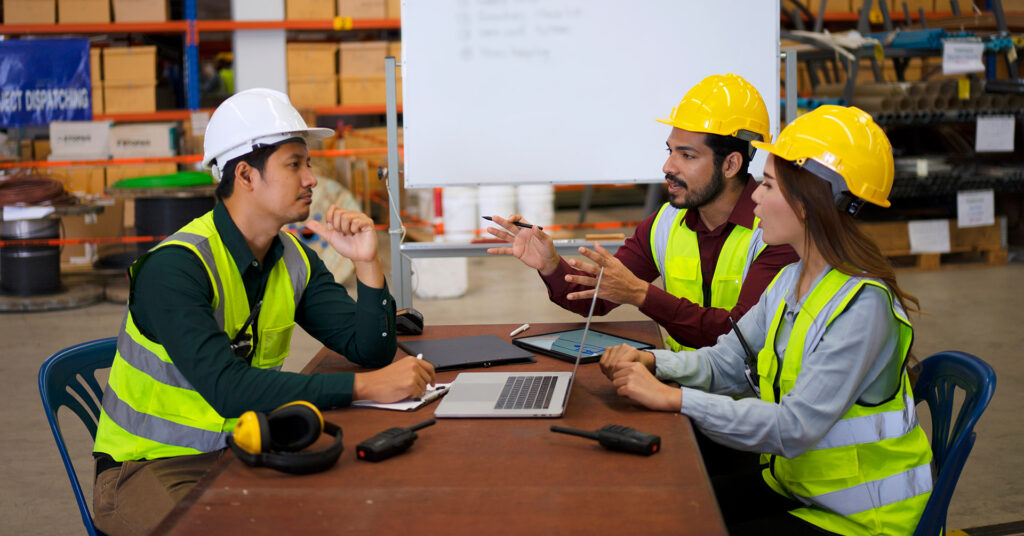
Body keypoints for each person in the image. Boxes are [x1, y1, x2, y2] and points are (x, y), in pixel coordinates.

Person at [91, 88, 435, 536]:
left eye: (307, 164)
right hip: (150, 467)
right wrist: (366, 387)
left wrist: (367, 263)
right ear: (246, 175)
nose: (311, 178)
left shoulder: (293, 257)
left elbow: (369, 348)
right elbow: (228, 389)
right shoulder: (174, 269)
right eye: (295, 164)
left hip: (242, 447)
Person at [599, 105, 933, 535]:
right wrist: (654, 364)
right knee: (667, 508)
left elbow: (794, 429)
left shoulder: (860, 307)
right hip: (798, 484)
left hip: (861, 516)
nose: (754, 195)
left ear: (809, 201)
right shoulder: (793, 279)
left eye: (769, 185)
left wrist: (674, 399)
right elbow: (727, 362)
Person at [486, 74, 798, 353]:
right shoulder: (664, 224)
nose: (668, 167)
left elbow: (738, 336)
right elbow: (597, 297)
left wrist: (640, 294)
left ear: (731, 164)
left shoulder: (776, 232)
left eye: (687, 155)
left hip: (751, 405)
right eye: (670, 151)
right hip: (682, 384)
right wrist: (551, 265)